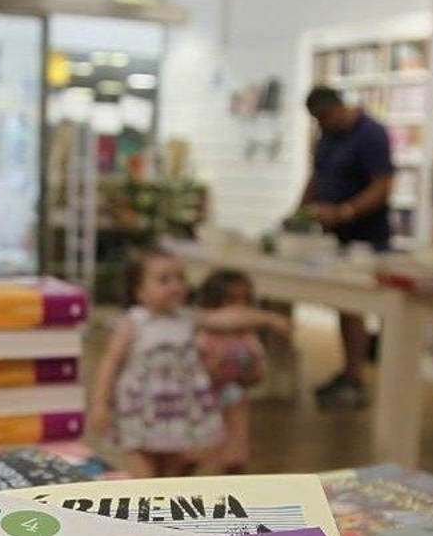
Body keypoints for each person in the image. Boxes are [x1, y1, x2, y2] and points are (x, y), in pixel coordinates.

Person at [90, 250, 290, 478]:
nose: (175, 286)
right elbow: (110, 362)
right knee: (144, 478)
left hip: (178, 414)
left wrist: (269, 319)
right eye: (164, 280)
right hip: (140, 412)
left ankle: (166, 509)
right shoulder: (134, 323)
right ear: (139, 291)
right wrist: (99, 404)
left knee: (175, 478)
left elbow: (226, 318)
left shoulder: (187, 317)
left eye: (180, 278)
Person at [299, 86, 394, 410]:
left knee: (361, 304)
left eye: (324, 117)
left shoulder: (371, 134)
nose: (321, 124)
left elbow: (382, 184)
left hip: (366, 236)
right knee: (344, 305)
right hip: (333, 236)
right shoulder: (325, 137)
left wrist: (345, 212)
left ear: (338, 107)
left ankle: (360, 376)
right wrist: (299, 212)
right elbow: (316, 176)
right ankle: (350, 372)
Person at [195, 269, 281, 474]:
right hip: (204, 403)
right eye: (232, 301)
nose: (241, 309)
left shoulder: (247, 339)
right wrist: (211, 372)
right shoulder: (204, 337)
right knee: (202, 451)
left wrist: (249, 373)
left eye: (246, 301)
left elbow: (258, 375)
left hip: (235, 402)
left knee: (236, 451)